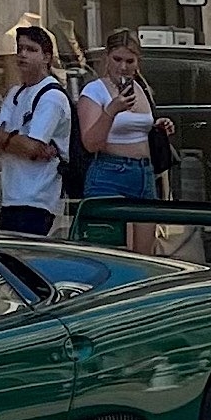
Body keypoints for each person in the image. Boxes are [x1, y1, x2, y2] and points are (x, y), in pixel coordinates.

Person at [76, 28, 171, 254]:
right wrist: (111, 111)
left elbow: (139, 125)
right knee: (112, 252)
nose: (123, 67)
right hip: (110, 171)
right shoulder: (94, 91)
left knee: (145, 255)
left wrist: (158, 126)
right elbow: (90, 143)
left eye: (130, 60)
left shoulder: (140, 88)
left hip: (144, 174)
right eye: (117, 59)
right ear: (106, 57)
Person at [0, 22, 70, 236]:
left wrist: (7, 140)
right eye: (20, 49)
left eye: (31, 50)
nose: (22, 55)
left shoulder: (51, 96)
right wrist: (15, 141)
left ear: (47, 57)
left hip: (37, 199)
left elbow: (32, 147)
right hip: (11, 196)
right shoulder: (15, 93)